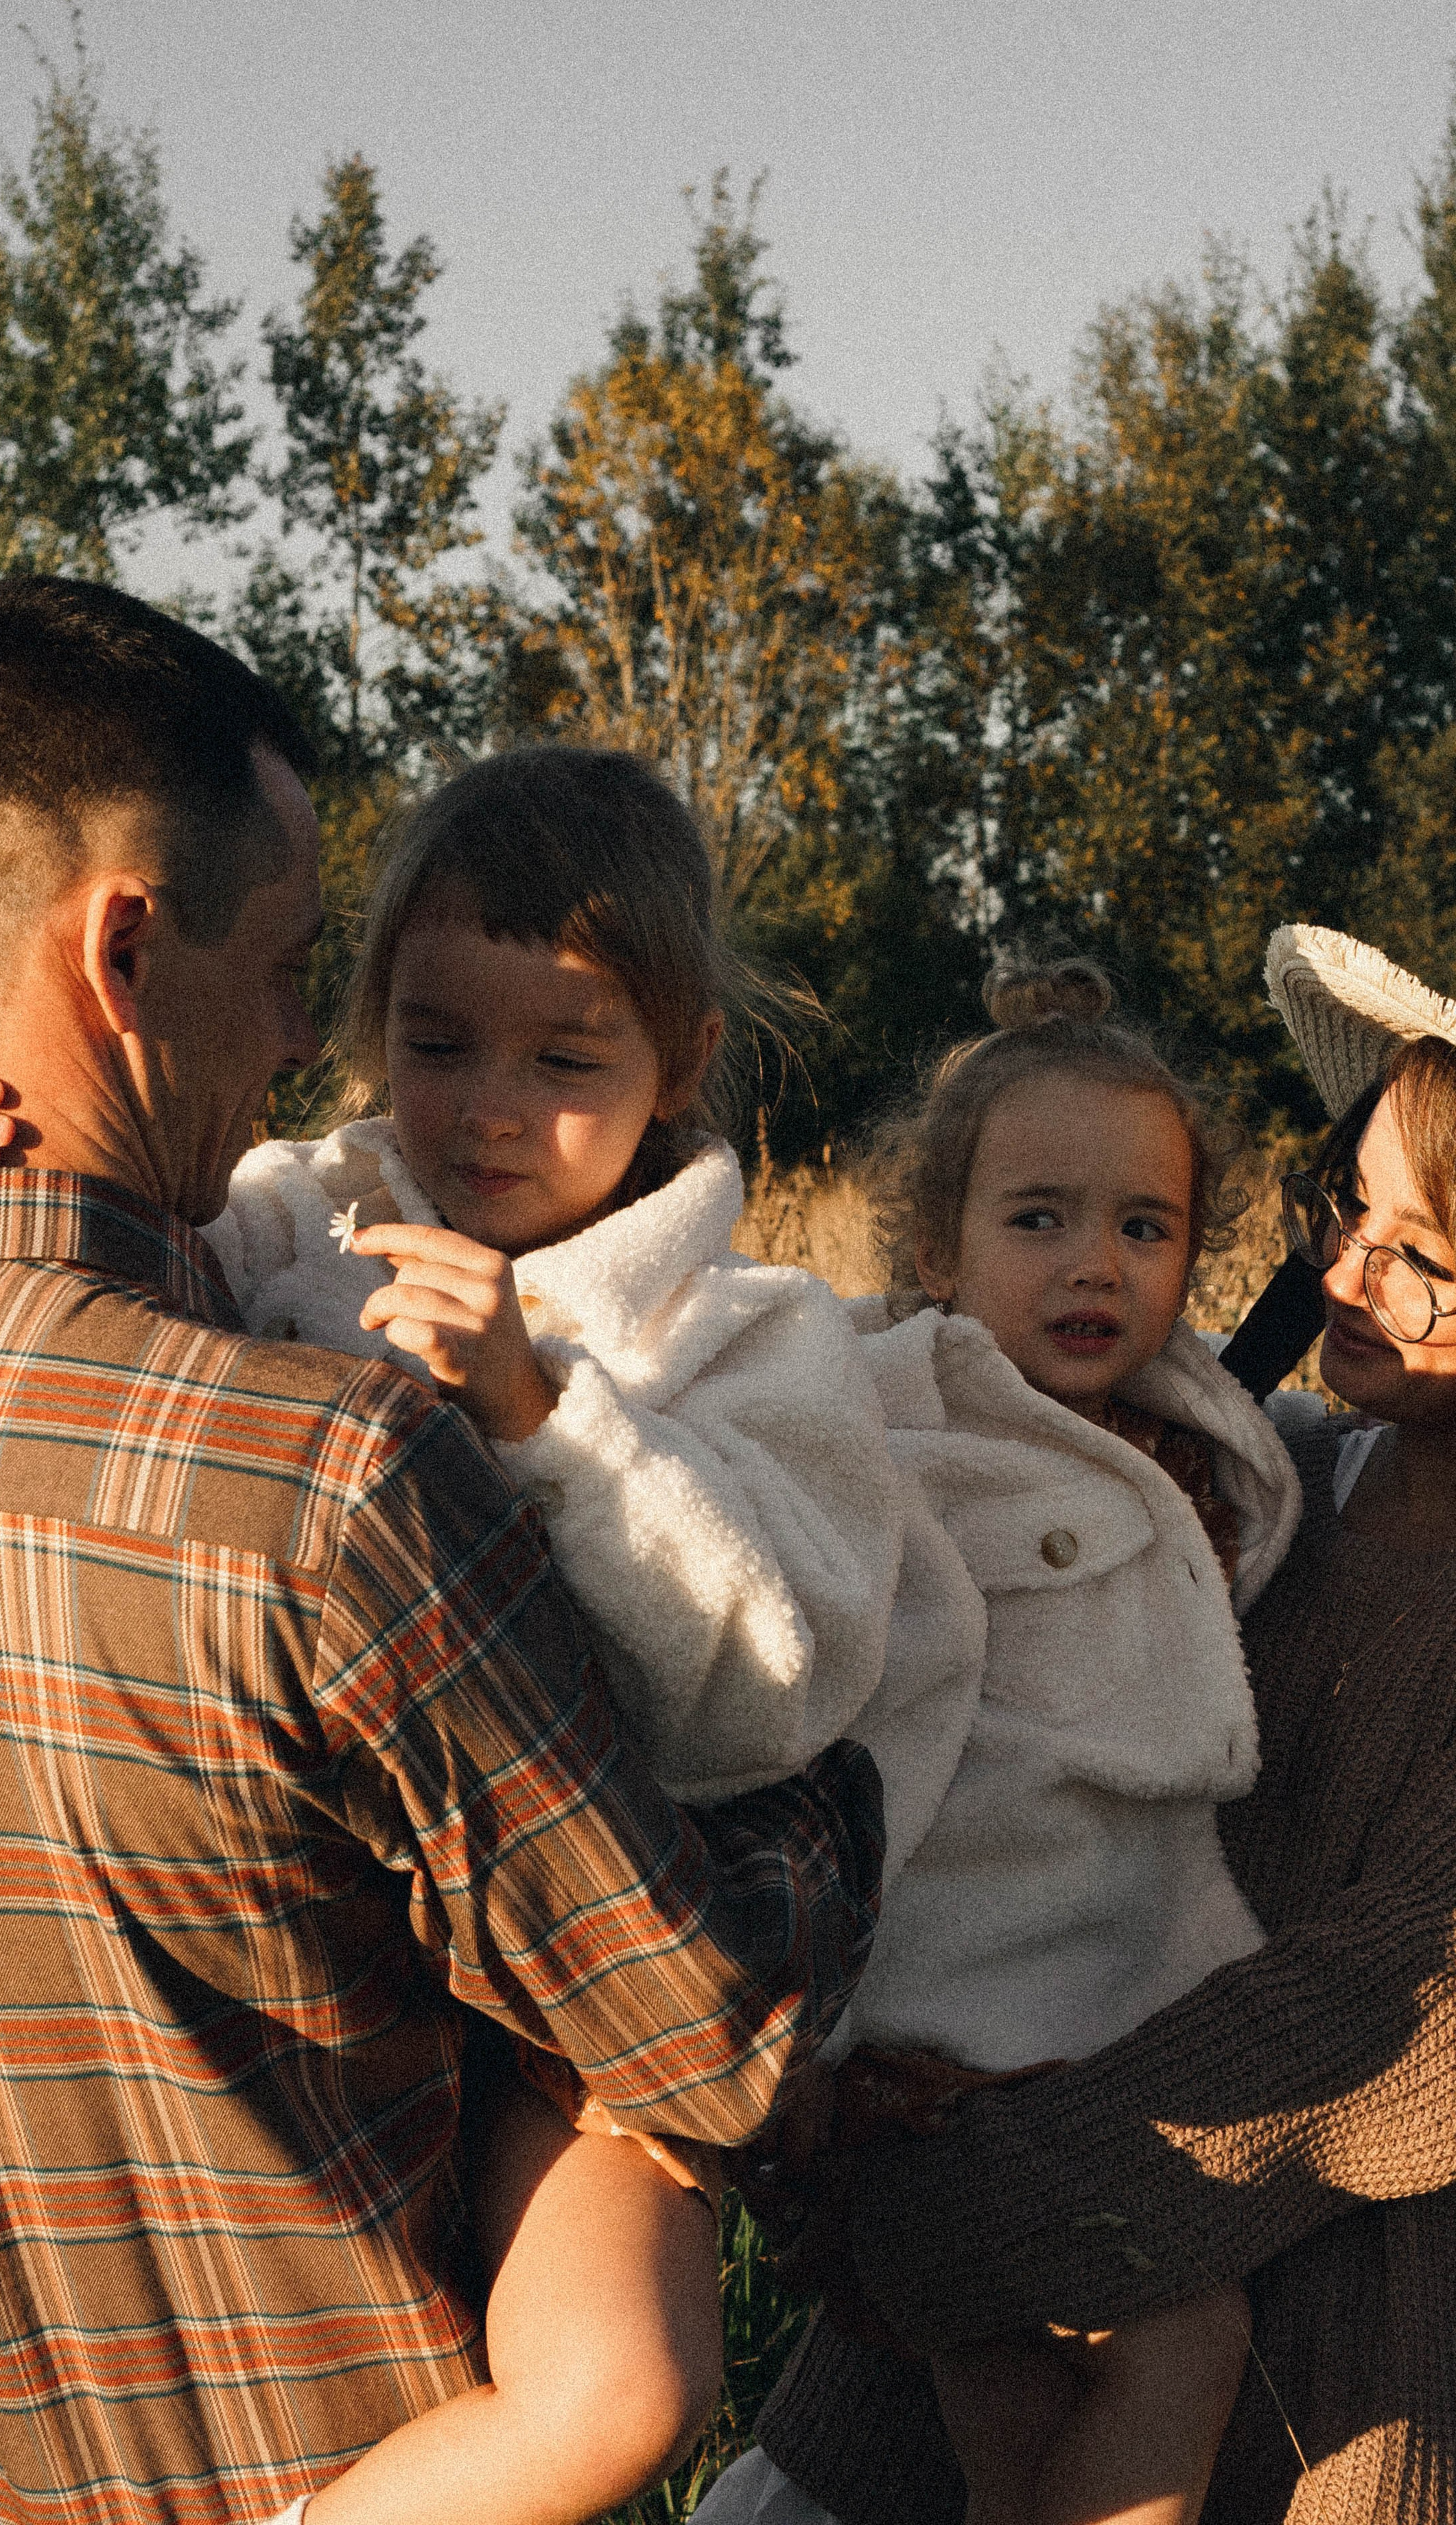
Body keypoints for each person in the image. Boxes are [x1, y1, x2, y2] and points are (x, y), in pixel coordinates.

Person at [0, 578, 884, 2525]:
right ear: (121, 950)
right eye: (287, 970)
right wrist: (851, 1810)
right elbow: (696, 2030)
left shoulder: (218, 1309)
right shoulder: (317, 1478)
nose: (301, 1039)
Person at [702, 924, 1456, 2525]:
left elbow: (1408, 2022)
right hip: (987, 2336)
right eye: (1345, 1204)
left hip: (1362, 2410)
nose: (1347, 1273)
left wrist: (948, 2218)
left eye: (1423, 1255)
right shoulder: (1248, 1479)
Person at [188, 746, 980, 2525]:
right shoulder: (285, 1225)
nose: (485, 1111)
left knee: (630, 2382)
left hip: (578, 1979)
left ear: (681, 1066)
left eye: (567, 1061)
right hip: (311, 1933)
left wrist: (553, 1421)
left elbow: (777, 1679)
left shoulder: (748, 1334)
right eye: (440, 1039)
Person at [725, 954, 1300, 2525]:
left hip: (1094, 2025)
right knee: (1179, 2346)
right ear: (933, 1245)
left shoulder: (1194, 1431)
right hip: (941, 2044)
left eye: (1143, 1226)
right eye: (1035, 1219)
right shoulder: (894, 1432)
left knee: (1018, 2416)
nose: (1089, 1264)